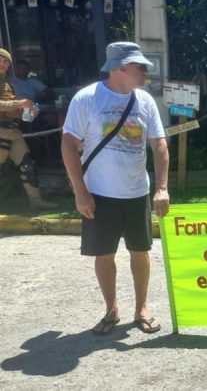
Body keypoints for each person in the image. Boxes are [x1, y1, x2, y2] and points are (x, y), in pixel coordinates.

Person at [61, 42, 169, 335]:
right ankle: (111, 310)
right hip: (99, 195)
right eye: (139, 66)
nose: (145, 71)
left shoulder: (145, 101)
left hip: (137, 193)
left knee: (140, 251)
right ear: (120, 68)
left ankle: (141, 309)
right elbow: (69, 145)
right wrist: (80, 192)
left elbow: (159, 145)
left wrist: (161, 188)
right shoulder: (87, 99)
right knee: (104, 254)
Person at [0, 49, 57, 210]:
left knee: (27, 165)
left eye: (6, 61)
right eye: (0, 60)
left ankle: (36, 201)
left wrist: (29, 109)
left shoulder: (7, 83)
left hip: (13, 130)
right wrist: (19, 104)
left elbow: (11, 105)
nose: (3, 64)